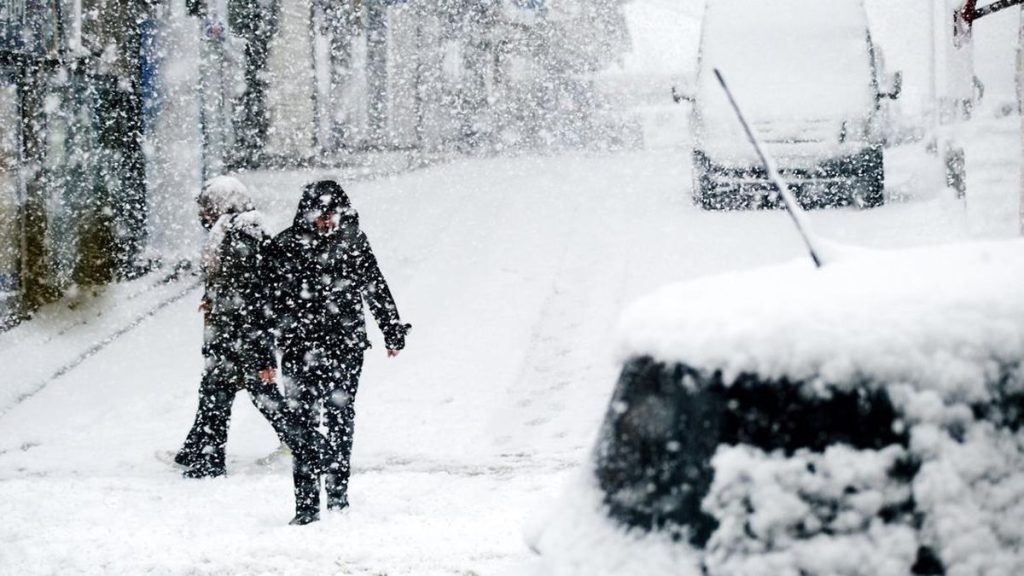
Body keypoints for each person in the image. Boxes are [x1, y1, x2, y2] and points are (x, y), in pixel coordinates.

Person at [269, 180, 410, 525]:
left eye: (331, 213)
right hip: (300, 349)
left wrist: (391, 330)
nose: (325, 220)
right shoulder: (287, 245)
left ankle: (337, 496)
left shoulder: (353, 242)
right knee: (301, 422)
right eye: (319, 213)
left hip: (345, 347)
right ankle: (305, 505)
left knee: (339, 418)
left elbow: (375, 285)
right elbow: (268, 298)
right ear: (306, 212)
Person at [174, 176, 292, 478]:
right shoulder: (231, 230)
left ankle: (209, 460)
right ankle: (199, 451)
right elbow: (230, 282)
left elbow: (252, 292)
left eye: (208, 206)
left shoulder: (242, 233)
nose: (204, 214)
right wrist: (211, 297)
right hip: (231, 332)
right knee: (221, 391)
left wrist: (261, 348)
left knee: (227, 392)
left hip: (240, 334)